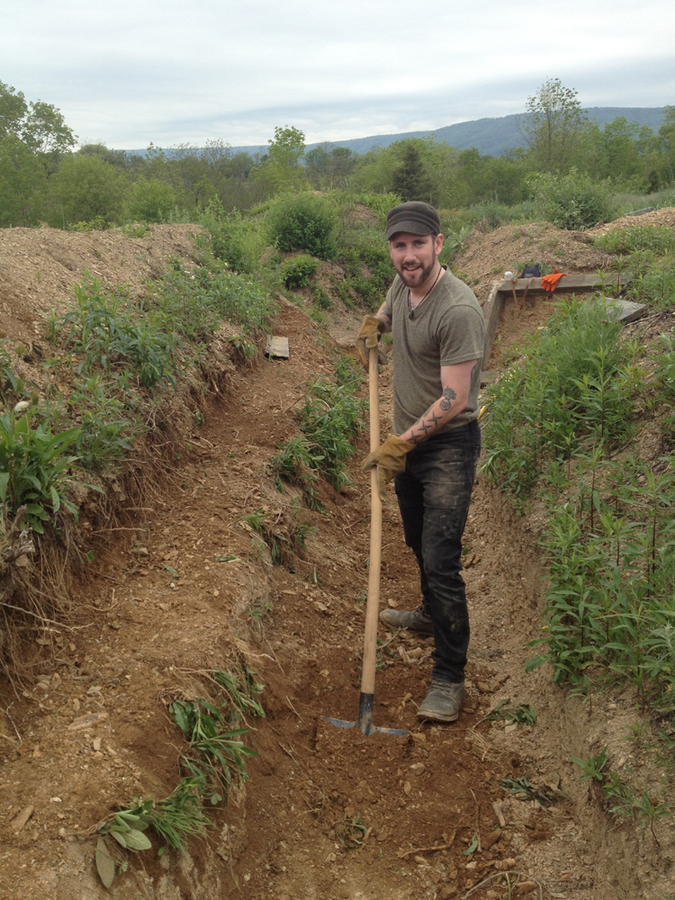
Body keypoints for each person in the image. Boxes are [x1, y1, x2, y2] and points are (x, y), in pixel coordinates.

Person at [356, 201, 484, 723]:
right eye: (399, 245)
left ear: (439, 243)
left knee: (440, 558)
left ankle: (450, 678)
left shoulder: (458, 310)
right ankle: (430, 614)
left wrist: (400, 444)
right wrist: (377, 324)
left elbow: (453, 396)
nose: (408, 256)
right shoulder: (403, 282)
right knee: (415, 538)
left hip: (446, 445)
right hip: (408, 440)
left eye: (417, 244)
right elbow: (390, 305)